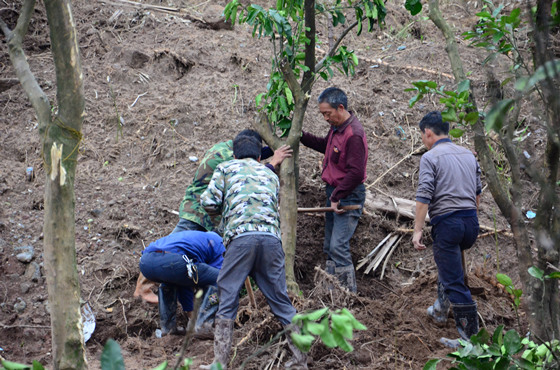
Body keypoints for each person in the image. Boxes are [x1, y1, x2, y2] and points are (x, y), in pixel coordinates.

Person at [133, 131, 292, 303]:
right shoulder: (226, 157)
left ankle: (191, 296)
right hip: (197, 210)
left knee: (188, 253)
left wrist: (272, 150)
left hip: (209, 210)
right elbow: (247, 176)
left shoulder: (226, 149)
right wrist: (273, 162)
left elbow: (249, 160)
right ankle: (142, 288)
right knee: (169, 249)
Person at [200, 133, 306, 369]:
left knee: (227, 300)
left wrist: (222, 214)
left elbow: (208, 201)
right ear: (259, 155)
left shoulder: (226, 168)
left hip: (241, 240)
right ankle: (300, 361)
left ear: (235, 154)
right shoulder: (269, 173)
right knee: (281, 300)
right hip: (271, 241)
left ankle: (220, 364)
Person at [412, 111, 481, 348]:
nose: (423, 140)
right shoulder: (469, 155)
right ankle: (440, 309)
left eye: (422, 136)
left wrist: (417, 230)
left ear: (428, 132)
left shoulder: (430, 158)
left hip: (448, 224)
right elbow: (477, 194)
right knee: (449, 266)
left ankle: (470, 341)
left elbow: (424, 197)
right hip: (471, 223)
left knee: (454, 281)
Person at [300, 87, 368, 292]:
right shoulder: (337, 129)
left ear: (340, 107)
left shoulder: (353, 134)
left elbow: (356, 173)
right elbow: (325, 145)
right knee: (329, 245)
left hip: (348, 195)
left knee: (338, 245)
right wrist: (300, 135)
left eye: (327, 113)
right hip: (334, 193)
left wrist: (338, 196)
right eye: (322, 114)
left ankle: (349, 295)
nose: (325, 118)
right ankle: (330, 292)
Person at [139, 230, 225, 336]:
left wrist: (191, 315)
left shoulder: (192, 237)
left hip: (145, 263)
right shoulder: (219, 243)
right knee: (222, 278)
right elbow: (219, 275)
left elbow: (185, 283)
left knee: (171, 282)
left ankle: (168, 328)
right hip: (173, 261)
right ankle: (204, 325)